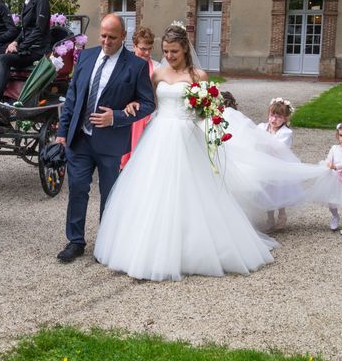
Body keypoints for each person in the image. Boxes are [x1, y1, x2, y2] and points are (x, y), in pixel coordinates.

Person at [93, 25, 277, 281]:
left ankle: (196, 249)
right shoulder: (157, 74)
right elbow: (148, 102)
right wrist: (133, 103)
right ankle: (149, 248)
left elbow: (206, 111)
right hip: (158, 135)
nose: (169, 56)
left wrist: (204, 109)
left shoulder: (198, 75)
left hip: (187, 135)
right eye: (166, 51)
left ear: (185, 50)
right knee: (153, 191)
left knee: (193, 190)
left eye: (174, 51)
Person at [54, 14, 156, 263]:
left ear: (123, 37)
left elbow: (148, 104)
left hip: (110, 143)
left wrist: (117, 117)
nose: (106, 41)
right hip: (80, 138)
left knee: (109, 193)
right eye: (103, 35)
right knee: (77, 189)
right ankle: (75, 241)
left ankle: (108, 242)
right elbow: (72, 98)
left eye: (112, 37)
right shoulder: (87, 57)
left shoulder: (136, 66)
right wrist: (61, 133)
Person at [0, 0, 51, 101]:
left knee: (4, 59)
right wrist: (15, 42)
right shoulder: (27, 2)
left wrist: (21, 47)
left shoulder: (41, 1)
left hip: (38, 49)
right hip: (28, 47)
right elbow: (24, 30)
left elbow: (39, 29)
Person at [120, 27, 161, 169]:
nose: (147, 53)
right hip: (125, 114)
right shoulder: (123, 64)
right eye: (143, 49)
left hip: (148, 115)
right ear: (134, 46)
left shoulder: (156, 68)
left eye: (150, 49)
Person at [257, 97, 295, 230]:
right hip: (264, 166)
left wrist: (264, 144)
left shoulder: (286, 133)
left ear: (285, 119)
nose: (274, 119)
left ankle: (282, 215)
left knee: (278, 191)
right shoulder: (262, 127)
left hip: (279, 166)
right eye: (272, 115)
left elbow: (279, 148)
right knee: (267, 191)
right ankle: (270, 218)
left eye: (278, 117)